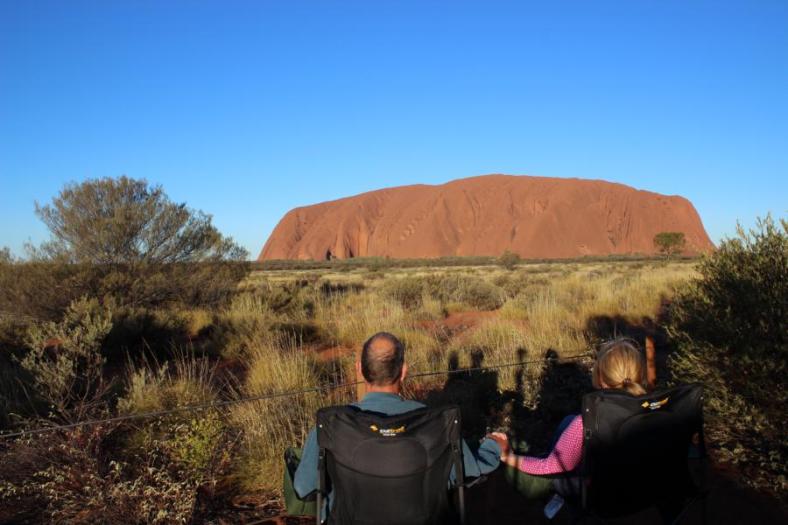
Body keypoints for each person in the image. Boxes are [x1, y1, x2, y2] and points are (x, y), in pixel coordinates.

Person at [293, 331, 503, 514]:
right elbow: (469, 470)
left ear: (360, 369)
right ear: (404, 371)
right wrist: (494, 444)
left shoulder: (332, 426)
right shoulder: (438, 424)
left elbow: (304, 488)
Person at [489, 338, 648, 497]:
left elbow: (549, 467)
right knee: (568, 420)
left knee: (545, 479)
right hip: (635, 486)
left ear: (600, 378)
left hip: (600, 494)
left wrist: (509, 457)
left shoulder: (586, 423)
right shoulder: (651, 408)